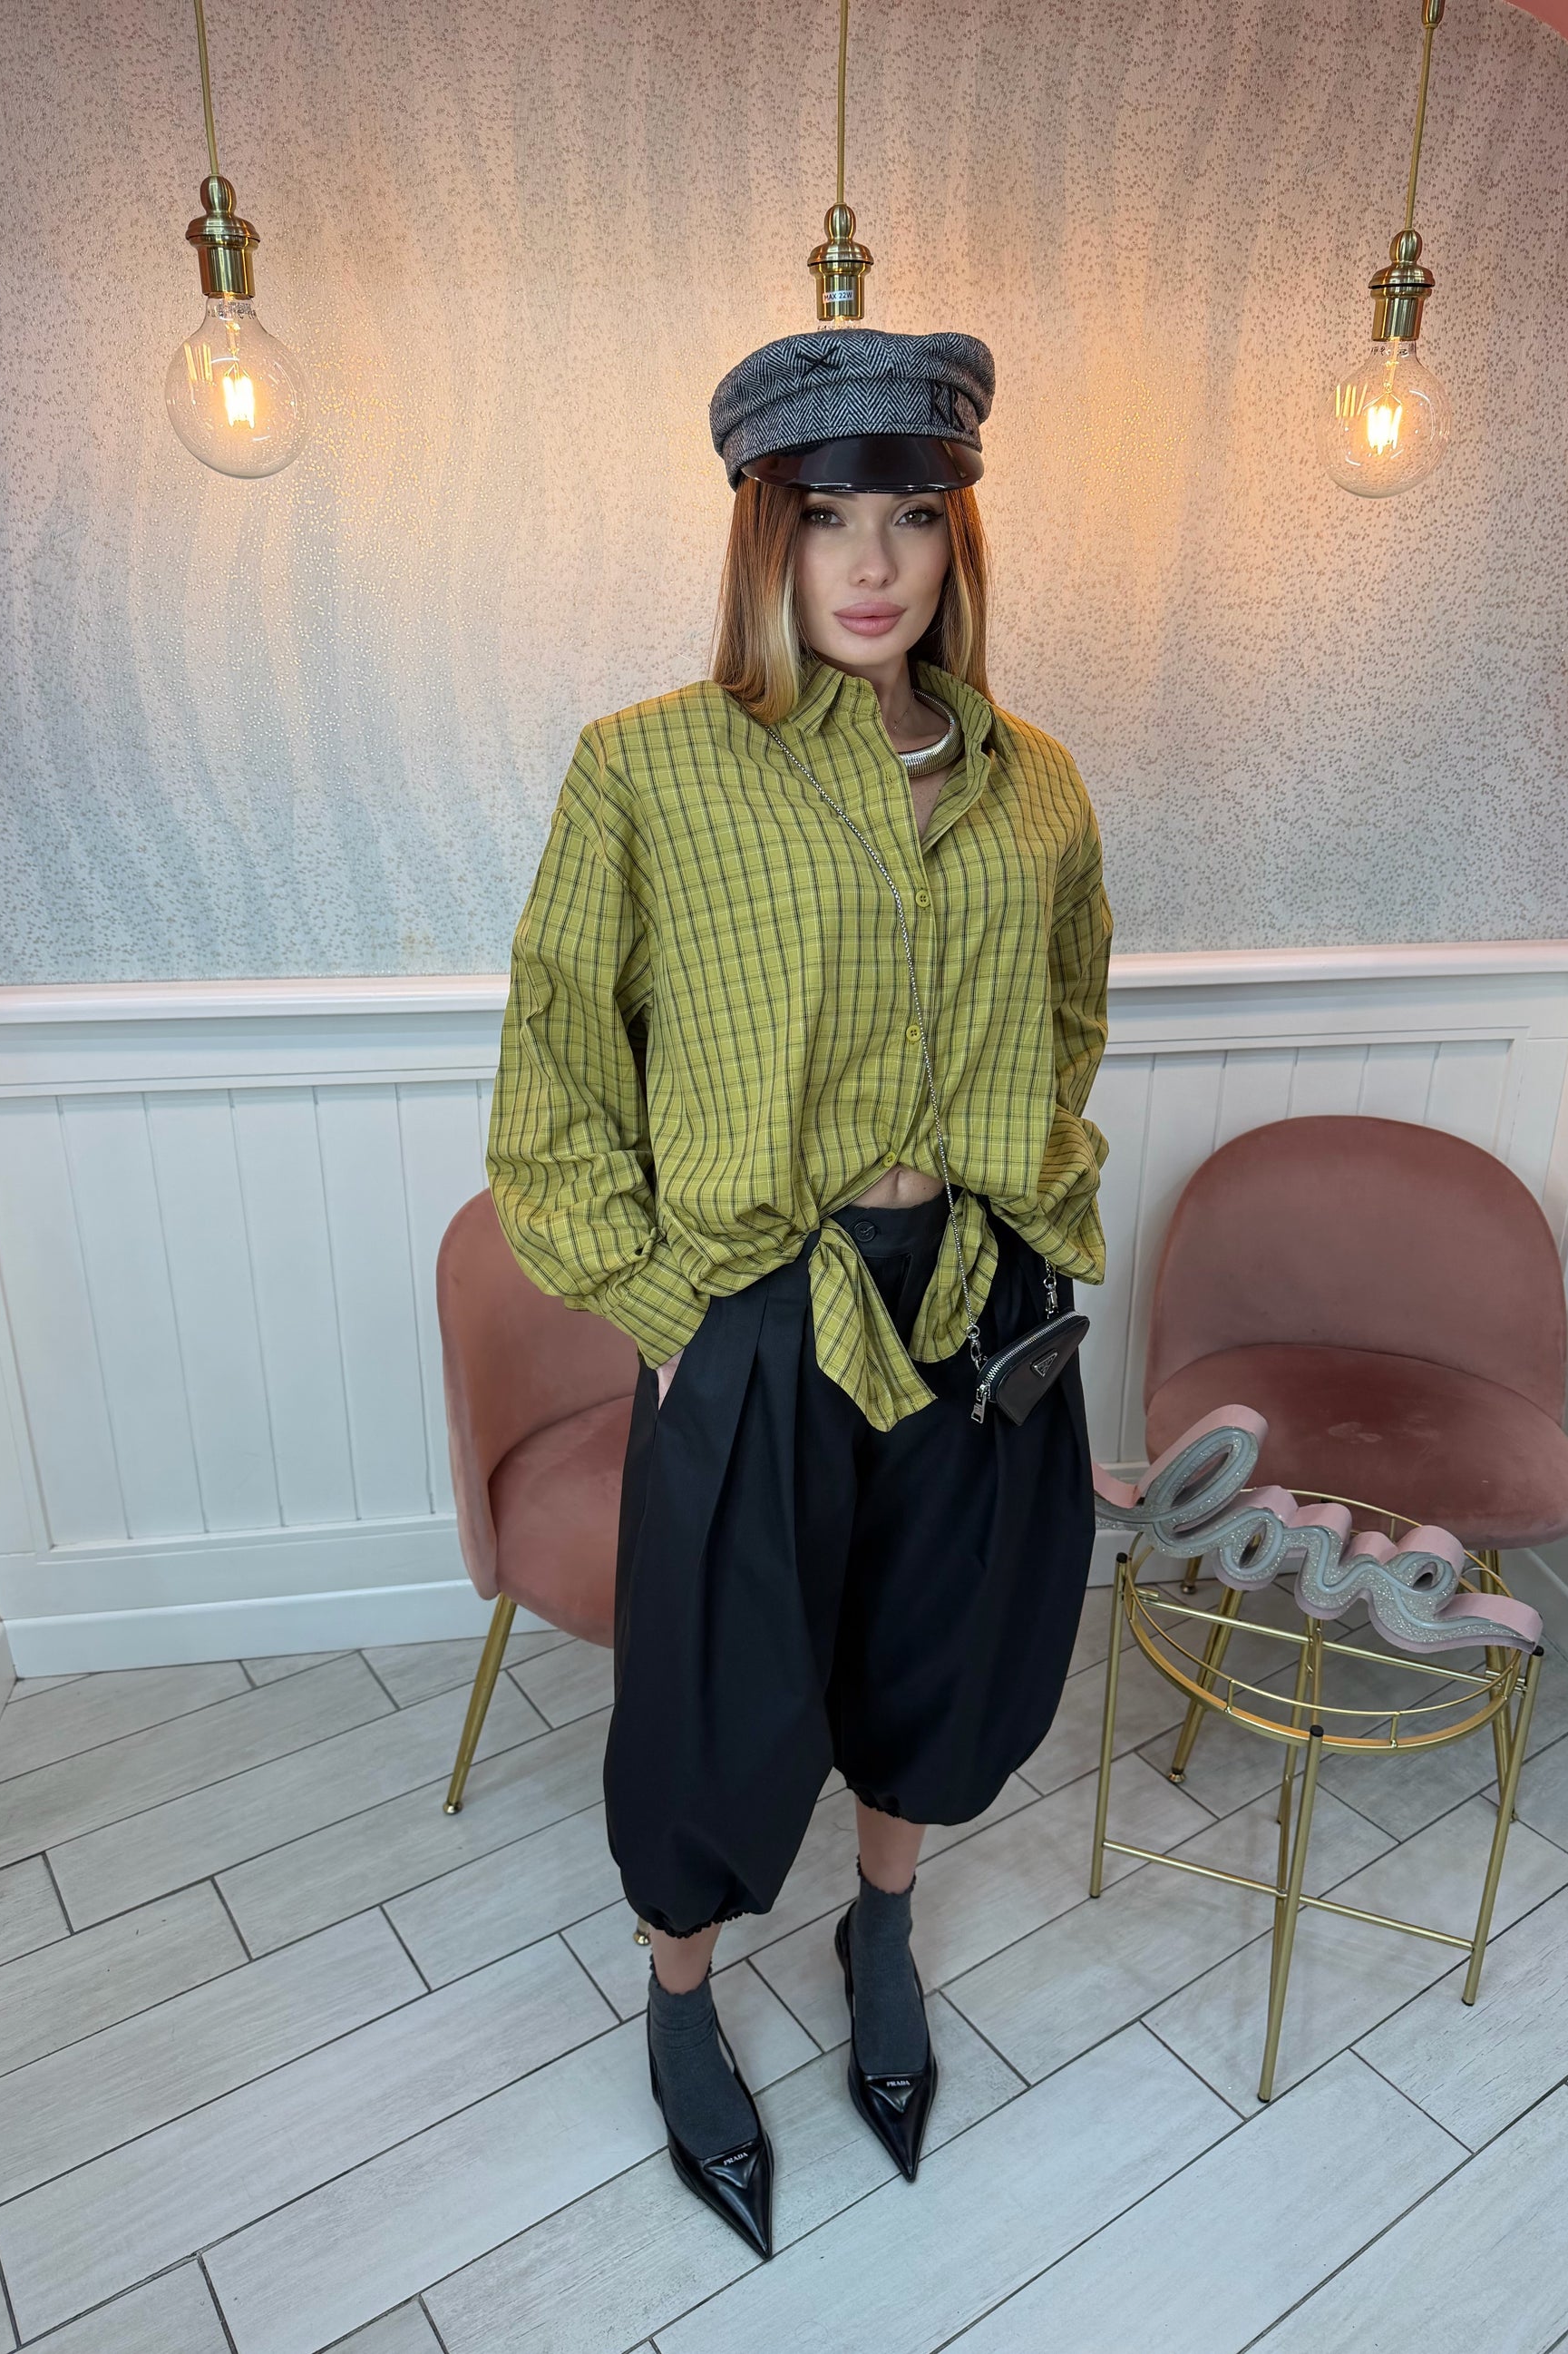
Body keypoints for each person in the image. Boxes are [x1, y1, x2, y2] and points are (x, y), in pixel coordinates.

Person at [488, 326, 1111, 2258]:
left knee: (941, 1650)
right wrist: (671, 1306)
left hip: (976, 1294)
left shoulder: (1035, 785)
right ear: (764, 532)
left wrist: (1023, 1194)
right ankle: (680, 2001)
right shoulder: (647, 770)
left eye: (910, 516)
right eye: (827, 515)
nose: (871, 561)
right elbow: (554, 1079)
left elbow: (1071, 1014)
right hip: (757, 1301)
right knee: (718, 1690)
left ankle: (883, 1929)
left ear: (954, 539)